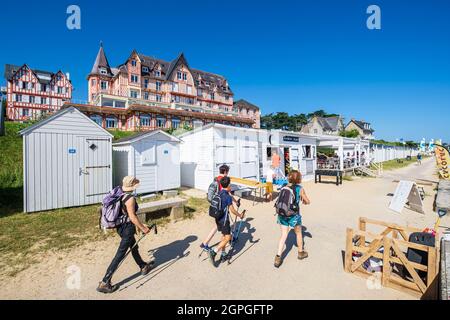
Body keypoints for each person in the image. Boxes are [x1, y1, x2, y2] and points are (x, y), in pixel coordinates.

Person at [97, 176, 154, 294]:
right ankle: (104, 282)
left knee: (134, 247)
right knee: (120, 254)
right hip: (127, 228)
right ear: (133, 186)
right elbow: (132, 216)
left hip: (120, 227)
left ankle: (143, 266)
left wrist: (140, 225)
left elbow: (126, 215)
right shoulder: (130, 198)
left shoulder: (119, 192)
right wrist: (143, 228)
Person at [274, 170, 311, 268]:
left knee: (283, 235)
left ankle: (278, 257)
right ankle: (300, 252)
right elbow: (307, 201)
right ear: (298, 179)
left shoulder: (284, 187)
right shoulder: (300, 188)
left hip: (282, 214)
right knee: (298, 233)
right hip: (294, 215)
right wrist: (305, 201)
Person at [200, 164, 239, 251]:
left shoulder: (216, 179)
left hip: (215, 205)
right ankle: (223, 243)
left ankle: (205, 243)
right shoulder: (223, 180)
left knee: (217, 226)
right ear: (225, 172)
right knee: (223, 224)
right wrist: (236, 202)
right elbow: (227, 194)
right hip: (222, 208)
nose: (227, 174)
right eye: (227, 172)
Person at [208, 176, 245, 266]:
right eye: (230, 184)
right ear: (228, 185)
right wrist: (240, 215)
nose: (230, 186)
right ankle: (214, 251)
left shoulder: (219, 193)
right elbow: (232, 210)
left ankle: (223, 253)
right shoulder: (227, 196)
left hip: (218, 218)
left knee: (224, 236)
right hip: (224, 220)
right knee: (228, 238)